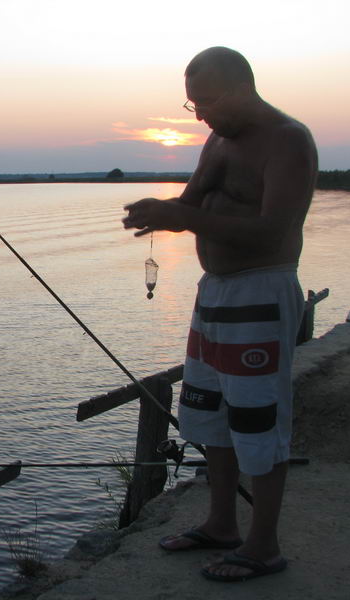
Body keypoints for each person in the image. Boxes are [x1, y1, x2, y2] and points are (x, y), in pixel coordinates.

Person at [122, 46, 317, 582]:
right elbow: (191, 206)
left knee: (258, 421)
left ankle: (263, 547)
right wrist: (159, 213)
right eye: (193, 105)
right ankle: (221, 524)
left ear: (240, 88)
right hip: (214, 294)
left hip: (261, 291)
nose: (200, 115)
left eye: (206, 102)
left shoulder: (288, 140)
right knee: (211, 414)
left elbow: (273, 230)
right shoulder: (218, 141)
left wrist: (183, 216)